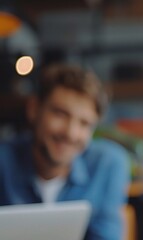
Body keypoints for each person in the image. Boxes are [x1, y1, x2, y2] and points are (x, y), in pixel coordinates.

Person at [0, 63, 130, 240]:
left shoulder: (107, 165)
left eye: (84, 123)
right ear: (34, 109)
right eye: (60, 114)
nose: (71, 133)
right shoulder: (4, 162)